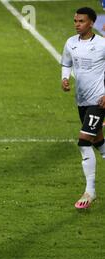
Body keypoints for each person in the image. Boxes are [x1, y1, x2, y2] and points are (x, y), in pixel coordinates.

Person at [61, 7, 105, 209]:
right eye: (75, 21)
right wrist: (64, 78)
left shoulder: (102, 45)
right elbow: (66, 63)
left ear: (91, 23)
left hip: (99, 101)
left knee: (84, 141)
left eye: (81, 21)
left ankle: (90, 191)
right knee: (98, 141)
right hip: (82, 101)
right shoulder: (71, 43)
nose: (77, 24)